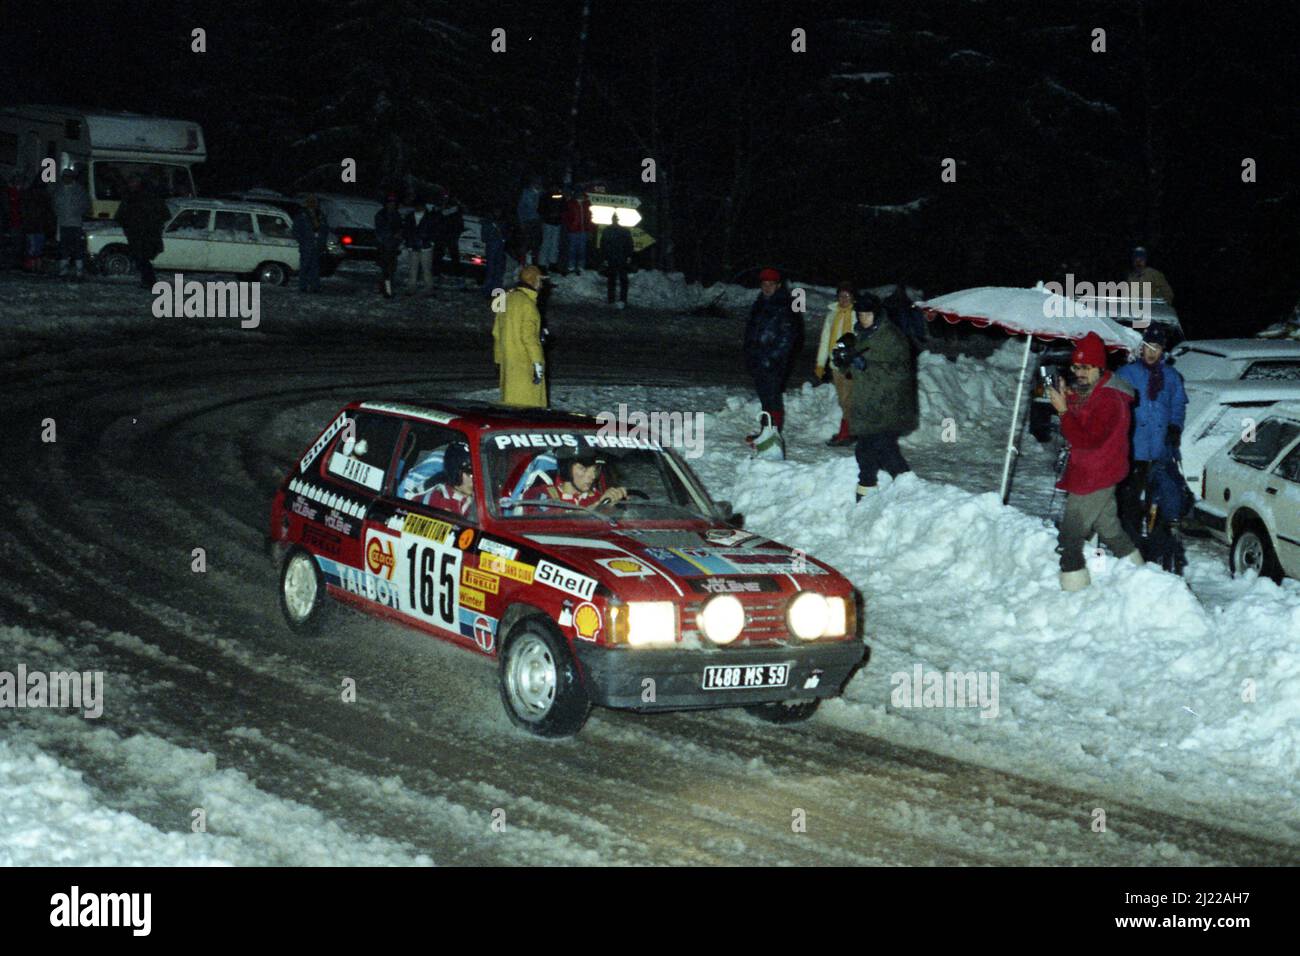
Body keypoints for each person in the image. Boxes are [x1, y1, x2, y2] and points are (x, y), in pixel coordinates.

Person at [1046, 332, 1144, 591]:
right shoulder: (1100, 389)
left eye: (1085, 367)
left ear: (1099, 367)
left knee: (1070, 535)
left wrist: (1063, 411)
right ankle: (1142, 577)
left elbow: (1087, 439)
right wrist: (1069, 399)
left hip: (1095, 476)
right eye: (1076, 367)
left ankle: (1074, 590)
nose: (1079, 372)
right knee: (1109, 529)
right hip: (1098, 472)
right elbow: (1087, 412)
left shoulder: (1110, 399)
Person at [832, 291, 917, 500]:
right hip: (869, 404)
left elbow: (900, 373)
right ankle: (891, 489)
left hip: (889, 404)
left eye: (867, 314)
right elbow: (854, 369)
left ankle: (879, 490)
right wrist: (844, 362)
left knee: (875, 450)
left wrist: (866, 365)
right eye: (860, 314)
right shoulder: (860, 335)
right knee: (876, 451)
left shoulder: (892, 337)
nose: (863, 318)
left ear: (877, 314)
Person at [1114, 326, 1189, 554]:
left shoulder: (1172, 377)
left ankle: (1154, 546)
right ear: (1141, 348)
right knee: (1129, 500)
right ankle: (1129, 543)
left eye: (1156, 348)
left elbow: (1177, 406)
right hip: (1133, 449)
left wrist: (1175, 427)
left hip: (1159, 451)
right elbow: (1113, 404)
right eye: (1147, 347)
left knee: (1158, 500)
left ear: (1162, 350)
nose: (1151, 352)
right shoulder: (1127, 373)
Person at [744, 267, 800, 442]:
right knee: (765, 398)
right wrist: (749, 353)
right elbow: (751, 331)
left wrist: (773, 358)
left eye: (771, 284)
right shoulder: (760, 302)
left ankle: (772, 434)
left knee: (772, 398)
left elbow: (788, 337)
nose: (767, 287)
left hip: (773, 361)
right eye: (764, 284)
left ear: (778, 285)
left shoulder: (784, 306)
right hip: (758, 359)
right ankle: (766, 431)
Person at [492, 264, 547, 407]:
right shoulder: (528, 304)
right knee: (528, 409)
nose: (541, 285)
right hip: (524, 365)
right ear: (533, 281)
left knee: (510, 408)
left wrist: (499, 360)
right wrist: (537, 363)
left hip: (508, 364)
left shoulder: (506, 298)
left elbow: (497, 332)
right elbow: (529, 337)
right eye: (540, 281)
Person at [815, 280, 859, 446]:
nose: (844, 299)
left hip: (851, 364)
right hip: (836, 364)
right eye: (841, 296)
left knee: (848, 399)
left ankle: (846, 433)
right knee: (843, 400)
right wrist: (821, 363)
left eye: (847, 296)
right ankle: (850, 430)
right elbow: (825, 339)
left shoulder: (857, 314)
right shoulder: (832, 314)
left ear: (853, 297)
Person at [115, 177, 171, 289]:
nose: (131, 184)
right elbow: (122, 214)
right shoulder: (131, 197)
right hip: (138, 233)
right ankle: (148, 281)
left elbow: (163, 214)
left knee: (142, 258)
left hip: (146, 233)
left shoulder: (147, 197)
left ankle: (150, 281)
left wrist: (149, 223)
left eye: (133, 182)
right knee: (141, 258)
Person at [523, 449, 628, 509]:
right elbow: (557, 524)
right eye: (583, 468)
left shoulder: (597, 497)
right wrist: (598, 507)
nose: (592, 476)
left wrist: (616, 507)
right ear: (566, 469)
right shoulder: (539, 494)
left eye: (595, 469)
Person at [415, 442, 475, 517]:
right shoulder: (439, 500)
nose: (475, 480)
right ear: (456, 474)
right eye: (471, 475)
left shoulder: (466, 496)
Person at [52, 168, 91, 279]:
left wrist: (77, 212)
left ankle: (79, 270)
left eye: (68, 176)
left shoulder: (79, 190)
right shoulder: (59, 190)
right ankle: (63, 270)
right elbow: (54, 204)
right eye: (64, 176)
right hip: (63, 223)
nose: (66, 179)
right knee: (64, 246)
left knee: (77, 247)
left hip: (76, 223)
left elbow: (85, 204)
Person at [20, 176, 54, 273]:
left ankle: (32, 266)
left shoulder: (28, 194)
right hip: (39, 225)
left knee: (32, 247)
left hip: (31, 225)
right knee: (38, 247)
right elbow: (48, 212)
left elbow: (24, 210)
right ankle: (36, 266)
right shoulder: (44, 195)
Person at [400, 198, 434, 295]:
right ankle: (411, 288)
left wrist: (430, 242)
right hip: (413, 246)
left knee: (426, 269)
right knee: (412, 268)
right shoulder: (410, 217)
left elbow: (435, 231)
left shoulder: (430, 217)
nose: (418, 207)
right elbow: (406, 231)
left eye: (420, 205)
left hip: (426, 247)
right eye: (417, 205)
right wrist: (408, 242)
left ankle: (429, 289)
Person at [431, 191, 464, 286]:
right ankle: (436, 275)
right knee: (438, 256)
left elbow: (459, 224)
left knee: (454, 256)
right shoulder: (437, 209)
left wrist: (455, 234)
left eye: (446, 197)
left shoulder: (455, 210)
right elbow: (434, 221)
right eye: (443, 197)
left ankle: (458, 276)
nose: (445, 199)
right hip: (440, 236)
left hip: (450, 236)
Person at [602, 212, 634, 309]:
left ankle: (611, 299)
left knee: (612, 279)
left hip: (612, 258)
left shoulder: (607, 230)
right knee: (623, 279)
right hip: (622, 258)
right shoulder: (625, 231)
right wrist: (629, 256)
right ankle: (623, 300)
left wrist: (605, 258)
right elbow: (630, 244)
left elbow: (603, 245)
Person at [374, 192, 403, 298]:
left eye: (393, 203)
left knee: (390, 270)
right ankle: (388, 291)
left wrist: (398, 237)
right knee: (386, 270)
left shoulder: (396, 215)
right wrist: (392, 235)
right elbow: (380, 231)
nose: (391, 205)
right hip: (384, 246)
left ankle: (384, 288)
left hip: (393, 247)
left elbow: (400, 229)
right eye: (390, 203)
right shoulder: (381, 215)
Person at [561, 189, 591, 275]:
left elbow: (589, 217)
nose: (580, 195)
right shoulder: (571, 203)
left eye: (581, 193)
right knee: (572, 249)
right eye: (578, 193)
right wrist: (569, 226)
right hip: (573, 230)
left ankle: (580, 266)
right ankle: (571, 266)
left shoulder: (586, 203)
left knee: (582, 249)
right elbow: (566, 216)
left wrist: (589, 229)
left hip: (583, 230)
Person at [480, 206, 508, 297]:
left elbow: (506, 235)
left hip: (499, 247)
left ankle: (496, 290)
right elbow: (484, 237)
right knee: (491, 269)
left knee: (498, 269)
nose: (498, 212)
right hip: (492, 246)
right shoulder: (489, 222)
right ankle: (488, 290)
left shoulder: (501, 222)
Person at [517, 177, 542, 265]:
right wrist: (522, 222)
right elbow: (520, 208)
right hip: (528, 221)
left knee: (536, 244)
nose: (537, 185)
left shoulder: (541, 194)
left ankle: (534, 264)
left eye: (539, 183)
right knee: (525, 243)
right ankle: (522, 263)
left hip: (538, 222)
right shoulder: (526, 193)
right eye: (536, 183)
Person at [538, 186, 563, 270]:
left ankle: (552, 262)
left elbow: (564, 208)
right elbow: (540, 209)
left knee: (554, 243)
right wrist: (549, 214)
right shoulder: (545, 196)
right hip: (548, 222)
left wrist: (559, 215)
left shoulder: (560, 195)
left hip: (557, 222)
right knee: (546, 243)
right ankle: (542, 263)